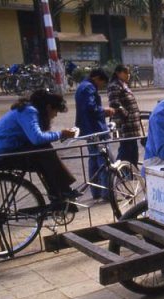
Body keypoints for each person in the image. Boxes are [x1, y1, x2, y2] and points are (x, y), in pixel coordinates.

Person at [0, 90, 77, 202]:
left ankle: (58, 192)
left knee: (43, 153)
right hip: (2, 154)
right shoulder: (29, 111)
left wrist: (60, 134)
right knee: (44, 149)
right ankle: (62, 190)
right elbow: (37, 138)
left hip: (9, 149)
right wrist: (61, 134)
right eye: (56, 111)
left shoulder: (28, 109)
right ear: (48, 107)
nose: (55, 116)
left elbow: (36, 135)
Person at [75, 68, 115, 200]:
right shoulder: (89, 87)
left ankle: (96, 192)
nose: (101, 86)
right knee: (104, 161)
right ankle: (107, 193)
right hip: (95, 128)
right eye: (102, 83)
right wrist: (105, 111)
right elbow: (91, 108)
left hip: (89, 129)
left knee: (94, 160)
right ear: (97, 78)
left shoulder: (82, 86)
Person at [107, 64, 141, 166]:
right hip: (125, 124)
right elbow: (115, 104)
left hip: (131, 125)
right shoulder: (114, 86)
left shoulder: (123, 84)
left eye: (129, 72)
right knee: (126, 150)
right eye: (125, 72)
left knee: (133, 150)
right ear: (118, 73)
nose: (128, 74)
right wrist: (126, 115)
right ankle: (118, 172)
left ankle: (131, 171)